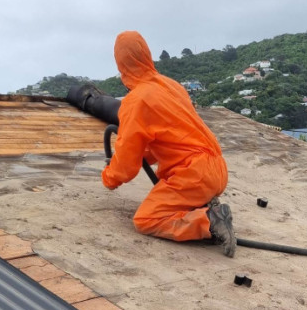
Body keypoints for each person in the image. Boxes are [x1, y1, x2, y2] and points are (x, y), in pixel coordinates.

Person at [102, 31, 237, 256]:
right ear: (146, 55)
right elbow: (169, 137)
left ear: (121, 64)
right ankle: (205, 206)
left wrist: (109, 177)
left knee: (146, 219)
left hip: (194, 176)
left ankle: (209, 221)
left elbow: (125, 167)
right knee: (177, 193)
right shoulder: (172, 86)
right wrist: (142, 156)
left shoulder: (136, 101)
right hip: (217, 170)